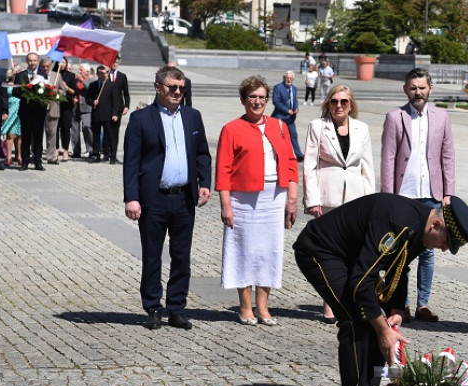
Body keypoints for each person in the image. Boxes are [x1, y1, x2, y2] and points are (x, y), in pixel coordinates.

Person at [294, 193, 468, 386]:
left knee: (375, 319)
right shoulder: (398, 223)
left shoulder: (418, 229)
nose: (443, 249)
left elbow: (399, 268)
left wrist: (396, 311)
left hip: (352, 258)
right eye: (446, 242)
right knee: (356, 317)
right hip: (320, 250)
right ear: (436, 224)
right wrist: (383, 329)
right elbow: (361, 282)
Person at [123, 65, 212, 331]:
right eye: (172, 87)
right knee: (152, 255)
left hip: (184, 197)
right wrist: (132, 197)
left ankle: (176, 308)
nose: (177, 92)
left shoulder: (192, 117)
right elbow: (131, 162)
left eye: (181, 88)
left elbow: (202, 154)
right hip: (154, 198)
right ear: (158, 87)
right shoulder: (141, 119)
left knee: (182, 256)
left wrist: (205, 182)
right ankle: (152, 308)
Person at [216, 75, 299, 327]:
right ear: (243, 100)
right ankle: (244, 306)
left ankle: (263, 306)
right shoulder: (231, 129)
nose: (258, 101)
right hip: (243, 199)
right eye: (252, 97)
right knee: (245, 250)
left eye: (262, 97)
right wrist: (226, 205)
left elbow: (292, 163)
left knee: (268, 252)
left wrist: (292, 199)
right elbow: (222, 170)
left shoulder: (280, 126)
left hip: (275, 197)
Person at [380, 68, 456, 323]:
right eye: (413, 88)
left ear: (430, 89)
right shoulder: (395, 117)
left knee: (428, 251)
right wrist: (388, 197)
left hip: (432, 194)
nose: (417, 92)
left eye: (422, 87)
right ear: (406, 90)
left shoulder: (442, 117)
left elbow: (447, 156)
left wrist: (448, 194)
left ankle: (424, 303)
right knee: (401, 251)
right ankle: (402, 304)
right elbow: (388, 158)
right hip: (404, 194)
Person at [302, 84, 375, 323]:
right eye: (334, 101)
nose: (339, 106)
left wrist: (371, 202)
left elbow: (367, 167)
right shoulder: (317, 127)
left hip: (355, 196)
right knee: (330, 253)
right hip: (327, 196)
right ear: (328, 103)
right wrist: (312, 199)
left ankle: (352, 301)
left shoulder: (361, 128)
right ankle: (330, 304)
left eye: (344, 102)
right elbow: (309, 165)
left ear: (351, 105)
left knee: (354, 252)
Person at [13, 53, 46, 170]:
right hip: (25, 111)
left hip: (39, 111)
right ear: (27, 61)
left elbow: (49, 91)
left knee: (38, 137)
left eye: (35, 60)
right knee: (25, 137)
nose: (32, 63)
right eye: (30, 60)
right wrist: (25, 91)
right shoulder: (20, 75)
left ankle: (38, 161)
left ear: (38, 61)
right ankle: (25, 162)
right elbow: (14, 92)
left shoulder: (43, 75)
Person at [104, 58, 131, 164]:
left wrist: (127, 106)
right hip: (106, 107)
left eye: (116, 62)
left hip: (118, 107)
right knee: (106, 130)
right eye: (112, 62)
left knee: (114, 132)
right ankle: (106, 153)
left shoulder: (122, 76)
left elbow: (126, 93)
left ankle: (113, 155)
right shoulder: (105, 75)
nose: (114, 64)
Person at [272, 71, 303, 159]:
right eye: (287, 78)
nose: (288, 80)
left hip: (290, 117)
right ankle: (279, 154)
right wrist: (287, 110)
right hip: (280, 116)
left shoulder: (294, 88)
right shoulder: (278, 87)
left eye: (290, 78)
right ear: (284, 78)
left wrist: (296, 108)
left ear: (293, 79)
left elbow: (295, 100)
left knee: (293, 135)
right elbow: (276, 101)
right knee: (279, 137)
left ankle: (299, 155)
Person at [54, 58, 77, 161]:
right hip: (55, 104)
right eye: (60, 62)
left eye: (63, 62)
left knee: (65, 128)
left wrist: (66, 87)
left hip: (66, 105)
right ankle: (55, 149)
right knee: (55, 128)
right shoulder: (53, 74)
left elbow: (74, 92)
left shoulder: (71, 76)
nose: (61, 64)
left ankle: (65, 150)